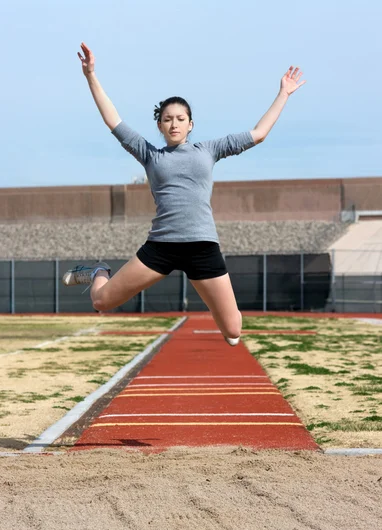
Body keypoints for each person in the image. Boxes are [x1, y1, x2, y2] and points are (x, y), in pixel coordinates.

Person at [63, 42, 306, 345]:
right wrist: (91, 75)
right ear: (160, 126)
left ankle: (219, 312)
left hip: (203, 247)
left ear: (190, 124)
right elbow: (113, 120)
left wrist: (283, 93)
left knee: (233, 331)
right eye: (167, 119)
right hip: (162, 246)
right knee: (101, 302)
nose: (174, 123)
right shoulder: (150, 154)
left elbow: (258, 133)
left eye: (180, 118)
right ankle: (99, 270)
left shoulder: (210, 149)